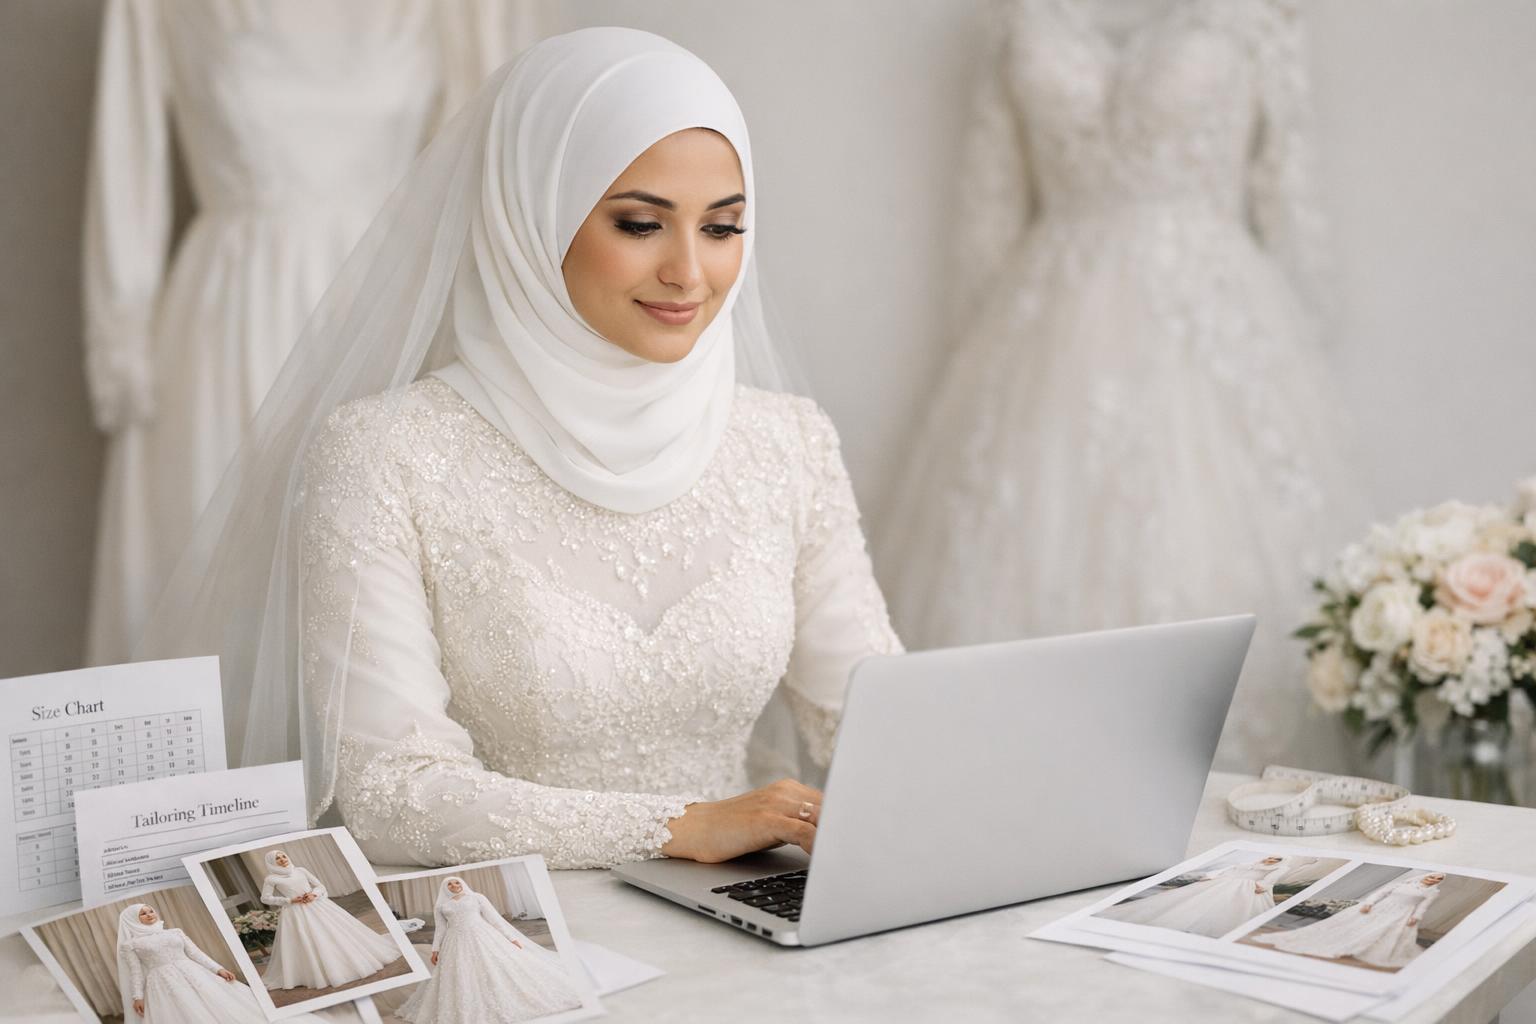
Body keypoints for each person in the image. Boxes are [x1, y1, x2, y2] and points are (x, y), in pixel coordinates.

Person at [138, 26, 901, 872]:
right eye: (642, 223)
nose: (691, 272)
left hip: (749, 906)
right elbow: (393, 794)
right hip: (511, 930)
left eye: (722, 229)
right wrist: (678, 828)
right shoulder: (384, 454)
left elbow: (878, 719)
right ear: (531, 215)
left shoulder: (785, 442)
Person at [396, 876, 581, 1023]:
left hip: (482, 935)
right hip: (455, 941)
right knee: (461, 973)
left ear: (462, 884)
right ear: (446, 888)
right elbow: (441, 929)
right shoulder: (443, 906)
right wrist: (435, 950)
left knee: (498, 966)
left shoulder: (477, 897)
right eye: (450, 884)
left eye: (456, 882)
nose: (454, 885)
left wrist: (512, 938)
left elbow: (494, 919)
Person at [115, 902, 322, 1023]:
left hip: (193, 972)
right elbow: (136, 973)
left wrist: (218, 969)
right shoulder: (131, 945)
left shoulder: (174, 931)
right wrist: (137, 997)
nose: (149, 914)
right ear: (133, 920)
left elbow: (196, 953)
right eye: (142, 913)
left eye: (150, 910)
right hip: (163, 983)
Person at [258, 850, 403, 990]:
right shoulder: (271, 879)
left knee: (337, 931)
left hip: (317, 905)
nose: (282, 859)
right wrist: (290, 900)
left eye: (283, 856)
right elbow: (265, 898)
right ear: (271, 862)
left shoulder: (300, 870)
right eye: (277, 858)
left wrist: (313, 894)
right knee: (309, 939)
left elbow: (320, 886)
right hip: (295, 912)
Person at [1252, 871, 1445, 968]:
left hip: (1400, 914)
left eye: (1438, 880)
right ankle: (1340, 942)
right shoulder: (1402, 883)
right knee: (1355, 925)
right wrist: (1369, 903)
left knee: (1379, 932)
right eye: (1432, 877)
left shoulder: (1432, 892)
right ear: (1426, 875)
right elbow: (1381, 893)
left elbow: (1423, 906)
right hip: (1380, 907)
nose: (1433, 881)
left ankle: (1360, 947)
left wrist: (1415, 917)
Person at [1097, 856, 1295, 938]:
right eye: (1270, 857)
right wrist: (1211, 876)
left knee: (1228, 908)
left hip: (1244, 886)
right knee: (1189, 900)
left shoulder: (1280, 867)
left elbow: (1272, 879)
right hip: (1225, 881)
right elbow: (1229, 869)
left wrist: (1265, 885)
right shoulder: (1248, 864)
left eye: (1274, 859)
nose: (1270, 860)